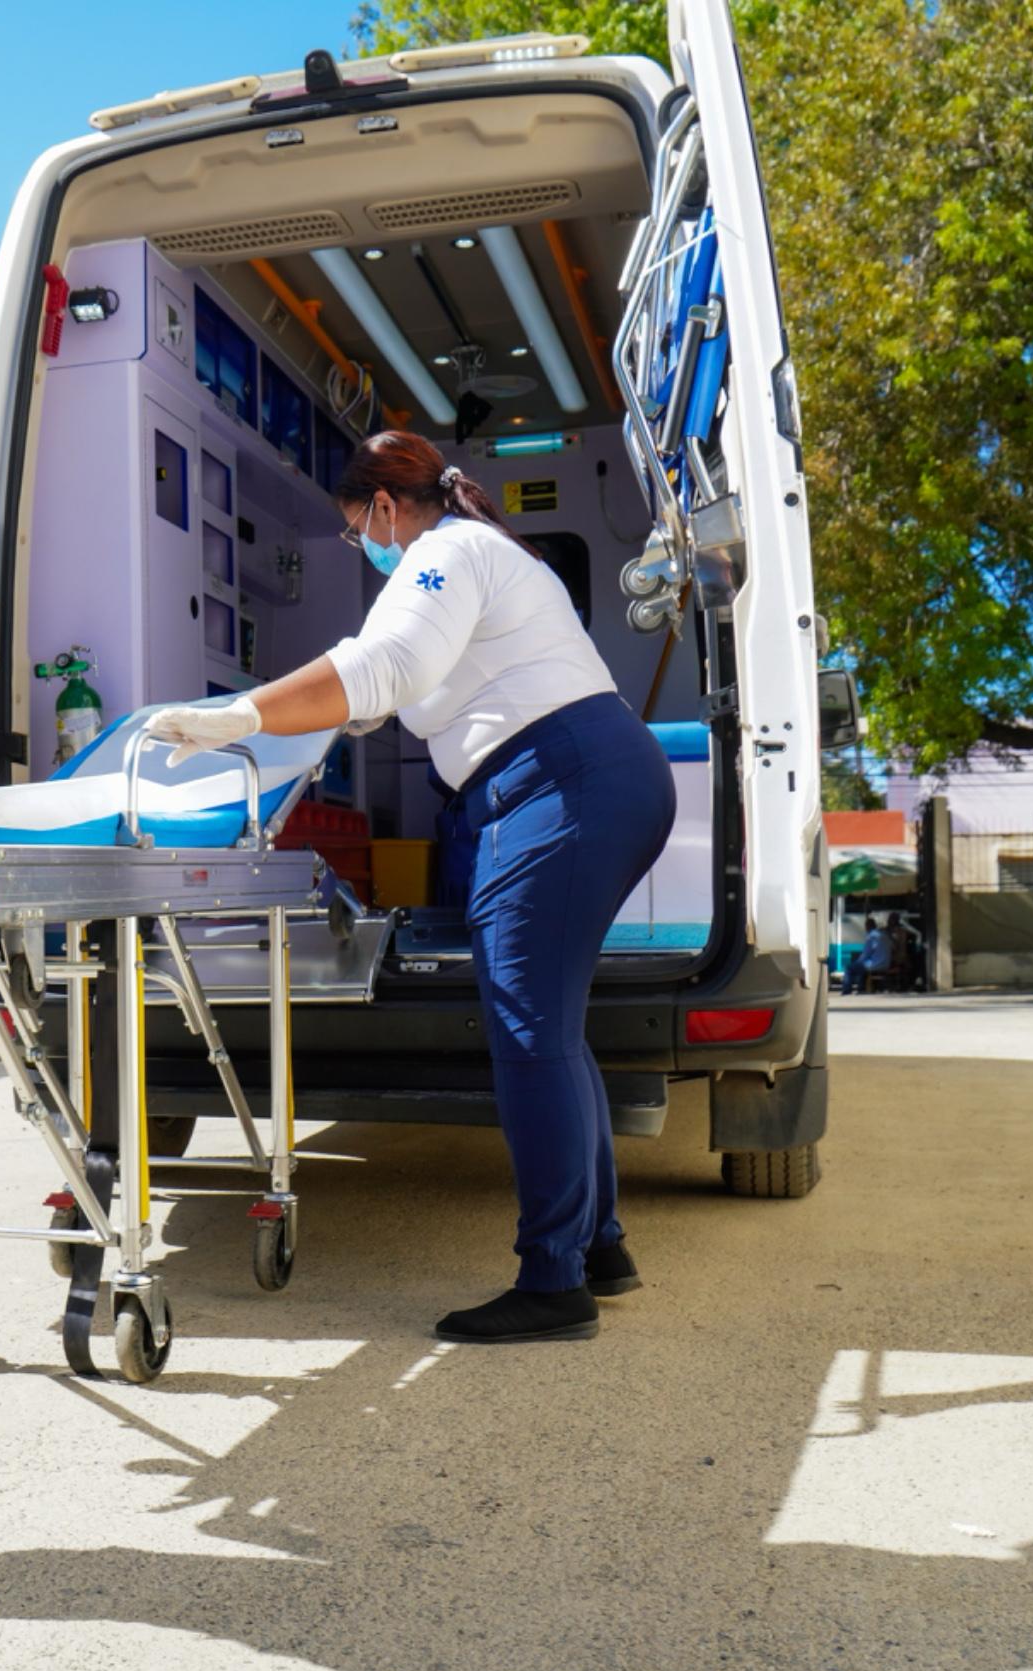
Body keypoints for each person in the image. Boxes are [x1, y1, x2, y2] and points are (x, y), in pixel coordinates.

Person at [145, 431, 674, 1345]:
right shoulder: (492, 556)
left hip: (560, 782)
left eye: (359, 533)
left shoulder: (445, 551)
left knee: (524, 1030)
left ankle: (554, 1282)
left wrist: (237, 712)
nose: (368, 550)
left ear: (386, 508)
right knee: (553, 1023)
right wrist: (285, 724)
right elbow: (382, 691)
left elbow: (384, 668)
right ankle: (596, 1248)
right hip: (590, 775)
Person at [844, 919, 889, 995]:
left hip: (874, 964)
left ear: (867, 926)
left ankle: (847, 991)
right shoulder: (884, 935)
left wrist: (857, 962)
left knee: (849, 968)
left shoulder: (871, 936)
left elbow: (866, 954)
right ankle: (861, 988)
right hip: (886, 964)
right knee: (861, 967)